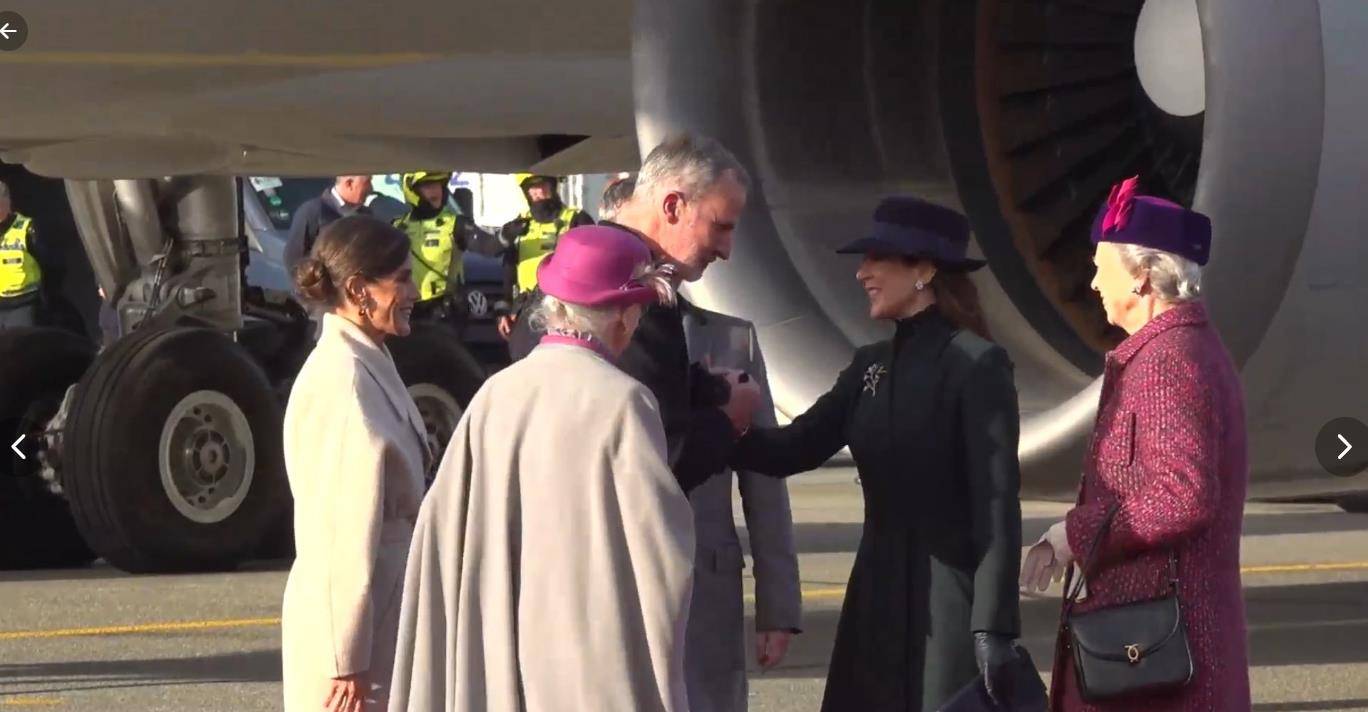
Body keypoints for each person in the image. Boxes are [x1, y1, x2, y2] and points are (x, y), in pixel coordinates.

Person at [728, 196, 1025, 711]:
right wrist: (715, 423)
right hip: (876, 592)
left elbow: (997, 505)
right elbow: (793, 449)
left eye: (876, 259)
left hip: (951, 600)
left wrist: (994, 626)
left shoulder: (978, 365)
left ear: (924, 270)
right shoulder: (870, 367)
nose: (862, 273)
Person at [387, 225, 694, 712]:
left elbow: (440, 530)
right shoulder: (625, 402)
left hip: (497, 654)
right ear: (623, 313)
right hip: (589, 664)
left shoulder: (496, 393)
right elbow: (661, 557)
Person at [1020, 177, 1249, 711]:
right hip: (1152, 655)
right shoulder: (1178, 350)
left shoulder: (1169, 361)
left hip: (1157, 666)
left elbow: (1183, 496)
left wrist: (1073, 532)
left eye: (1102, 265)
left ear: (1143, 277)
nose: (1094, 281)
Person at [508, 133, 763, 495]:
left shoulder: (560, 278)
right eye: (719, 226)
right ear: (673, 207)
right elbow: (659, 464)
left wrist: (695, 387)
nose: (726, 250)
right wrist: (729, 419)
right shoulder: (640, 299)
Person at [280, 215, 428, 712]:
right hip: (358, 635)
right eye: (402, 279)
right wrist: (344, 657)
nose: (416, 291)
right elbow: (340, 531)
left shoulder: (366, 361)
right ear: (360, 290)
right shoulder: (344, 382)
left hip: (382, 611)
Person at [681, 301, 802, 712]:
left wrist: (777, 606)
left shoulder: (734, 339)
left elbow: (764, 478)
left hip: (706, 587)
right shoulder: (582, 329)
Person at [494, 173, 594, 339]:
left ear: (553, 186)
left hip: (565, 310)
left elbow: (592, 266)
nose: (539, 191)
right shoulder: (520, 225)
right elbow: (509, 270)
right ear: (526, 192)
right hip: (526, 309)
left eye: (543, 185)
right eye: (532, 187)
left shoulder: (577, 219)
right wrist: (504, 310)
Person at [392, 171, 497, 326]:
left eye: (439, 185)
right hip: (406, 311)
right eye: (428, 185)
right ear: (411, 190)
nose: (436, 191)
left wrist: (507, 235)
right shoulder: (396, 227)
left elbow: (489, 247)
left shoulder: (456, 223)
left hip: (443, 313)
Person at [0, 180, 61, 329]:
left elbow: (52, 266)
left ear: (7, 203)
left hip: (24, 306)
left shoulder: (28, 229)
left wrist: (46, 298)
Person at [283, 175, 373, 276]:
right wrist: (310, 288)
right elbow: (294, 259)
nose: (371, 189)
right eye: (367, 182)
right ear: (349, 183)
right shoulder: (313, 211)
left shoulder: (366, 215)